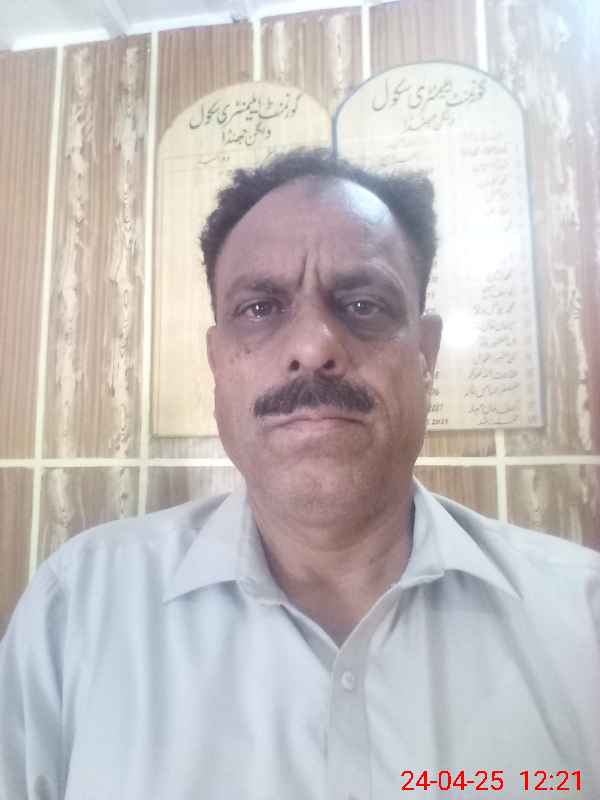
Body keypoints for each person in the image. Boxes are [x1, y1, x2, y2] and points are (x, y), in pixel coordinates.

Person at [1, 148, 599, 800]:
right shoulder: (77, 609)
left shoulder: (582, 619)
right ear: (217, 362)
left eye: (364, 304)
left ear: (425, 354)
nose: (314, 348)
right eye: (260, 308)